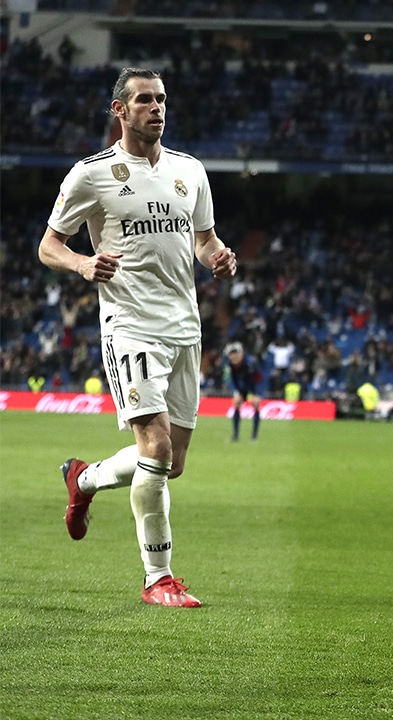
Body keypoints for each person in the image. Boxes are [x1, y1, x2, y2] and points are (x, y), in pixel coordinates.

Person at [39, 67, 237, 608]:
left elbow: (204, 237)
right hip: (130, 324)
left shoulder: (189, 170)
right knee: (154, 447)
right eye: (145, 100)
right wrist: (82, 264)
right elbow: (49, 245)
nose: (157, 107)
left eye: (162, 99)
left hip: (184, 325)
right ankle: (159, 578)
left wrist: (217, 258)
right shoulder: (92, 174)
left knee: (171, 463)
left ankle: (83, 481)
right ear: (119, 110)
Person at [223, 341, 263, 442]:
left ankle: (254, 436)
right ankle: (235, 435)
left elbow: (258, 378)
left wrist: (256, 394)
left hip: (253, 387)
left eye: (235, 356)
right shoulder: (231, 365)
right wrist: (237, 392)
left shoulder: (250, 363)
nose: (234, 359)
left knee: (256, 404)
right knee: (236, 403)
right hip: (242, 388)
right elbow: (233, 379)